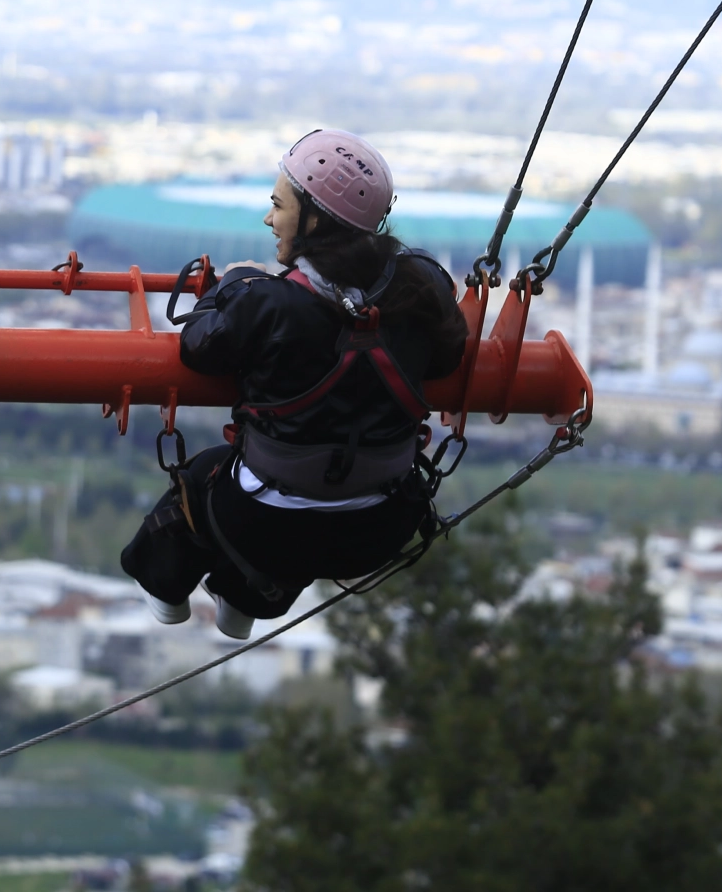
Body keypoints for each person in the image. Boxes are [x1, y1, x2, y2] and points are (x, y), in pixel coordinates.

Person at [122, 129, 469, 639]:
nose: (269, 219)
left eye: (278, 205)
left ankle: (164, 593)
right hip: (381, 527)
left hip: (264, 528)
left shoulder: (269, 302)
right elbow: (445, 359)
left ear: (316, 220)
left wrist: (235, 282)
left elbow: (199, 346)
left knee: (207, 476)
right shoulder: (422, 286)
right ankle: (242, 604)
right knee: (308, 504)